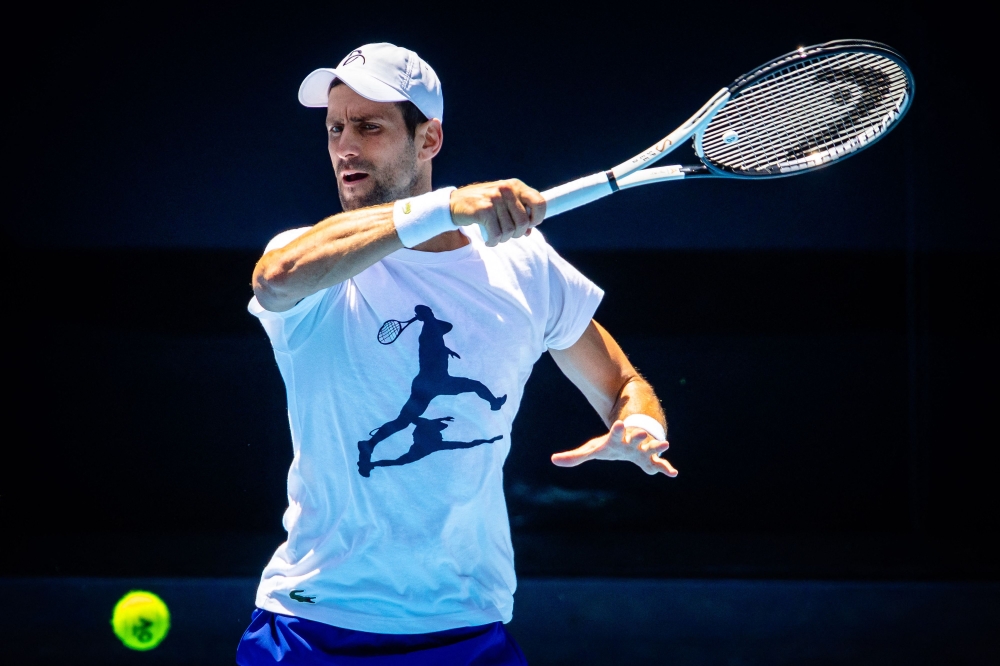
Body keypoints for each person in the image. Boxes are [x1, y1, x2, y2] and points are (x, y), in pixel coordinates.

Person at [237, 42, 678, 665]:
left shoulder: (525, 264)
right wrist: (442, 206)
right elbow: (275, 279)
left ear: (429, 140)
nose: (345, 147)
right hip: (313, 625)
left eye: (369, 126)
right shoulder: (315, 259)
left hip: (467, 627)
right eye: (335, 127)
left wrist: (638, 423)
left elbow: (621, 382)